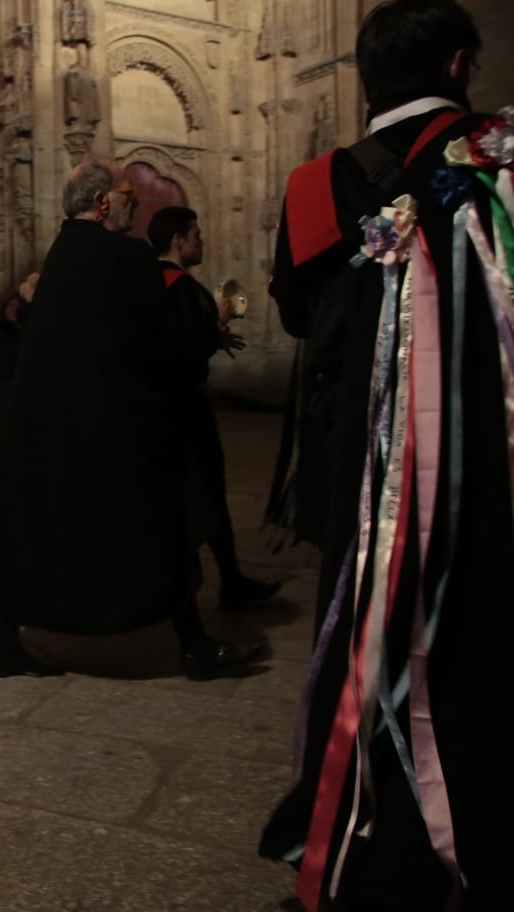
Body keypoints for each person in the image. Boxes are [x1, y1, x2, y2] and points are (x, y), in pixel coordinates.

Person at [259, 3, 514, 910]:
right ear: (458, 61)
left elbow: (295, 315)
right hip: (486, 458)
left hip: (358, 471)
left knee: (364, 620)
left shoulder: (311, 187)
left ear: (365, 77)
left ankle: (368, 807)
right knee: (475, 618)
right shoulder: (496, 160)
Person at [0, 160, 262, 680]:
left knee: (37, 530)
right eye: (128, 195)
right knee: (171, 519)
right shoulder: (125, 255)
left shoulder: (58, 258)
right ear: (103, 204)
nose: (135, 203)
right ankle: (193, 647)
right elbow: (163, 345)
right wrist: (208, 333)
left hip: (47, 429)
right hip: (117, 427)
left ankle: (3, 644)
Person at [148, 206, 281, 611]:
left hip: (159, 409)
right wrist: (216, 325)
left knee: (199, 497)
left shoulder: (148, 283)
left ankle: (231, 579)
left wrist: (212, 334)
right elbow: (185, 351)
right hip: (185, 411)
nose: (201, 242)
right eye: (197, 235)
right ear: (179, 240)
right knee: (201, 496)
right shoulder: (183, 287)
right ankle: (210, 589)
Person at [0, 272, 38, 420]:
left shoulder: (27, 330)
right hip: (9, 389)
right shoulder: (0, 331)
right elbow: (3, 363)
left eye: (17, 306)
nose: (13, 310)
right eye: (10, 306)